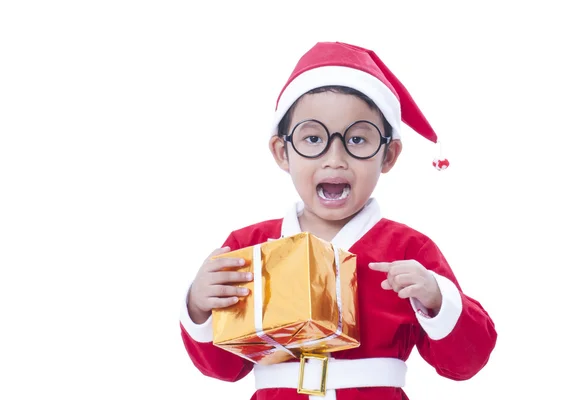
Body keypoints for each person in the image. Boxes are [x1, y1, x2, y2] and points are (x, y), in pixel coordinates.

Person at [179, 41, 497, 400]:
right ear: (283, 152)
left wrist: (437, 299)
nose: (335, 158)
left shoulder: (410, 250)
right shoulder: (247, 248)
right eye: (313, 138)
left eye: (358, 139)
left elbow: (466, 363)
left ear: (388, 155)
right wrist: (198, 306)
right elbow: (222, 368)